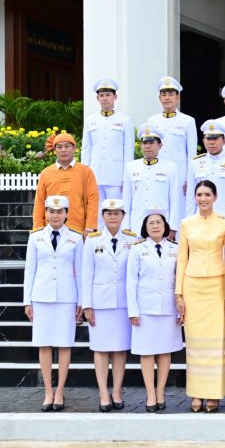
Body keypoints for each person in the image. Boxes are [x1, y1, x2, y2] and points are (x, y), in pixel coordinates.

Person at [175, 180, 225, 413]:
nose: (203, 199)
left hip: (217, 286)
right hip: (192, 285)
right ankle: (197, 393)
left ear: (215, 197)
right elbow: (182, 258)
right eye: (199, 194)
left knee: (216, 341)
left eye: (207, 194)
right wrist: (178, 293)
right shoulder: (187, 223)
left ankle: (214, 393)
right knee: (195, 342)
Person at [24, 195, 83, 412]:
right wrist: (27, 301)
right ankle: (48, 391)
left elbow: (81, 272)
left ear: (67, 213)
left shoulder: (76, 238)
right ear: (45, 212)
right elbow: (30, 270)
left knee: (65, 344)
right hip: (41, 297)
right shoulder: (36, 237)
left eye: (59, 211)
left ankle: (60, 390)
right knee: (45, 344)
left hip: (67, 297)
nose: (55, 215)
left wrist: (82, 302)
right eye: (51, 211)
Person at [81, 198, 136, 412]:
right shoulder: (93, 240)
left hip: (123, 303)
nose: (113, 217)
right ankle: (103, 392)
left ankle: (117, 391)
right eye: (108, 213)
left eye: (117, 213)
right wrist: (87, 305)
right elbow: (87, 274)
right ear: (102, 216)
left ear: (123, 216)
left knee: (120, 350)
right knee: (101, 349)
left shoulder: (132, 240)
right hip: (100, 303)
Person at [126, 210, 183, 412]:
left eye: (159, 222)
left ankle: (160, 392)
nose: (155, 226)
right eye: (151, 223)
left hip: (169, 307)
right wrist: (133, 310)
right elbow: (131, 281)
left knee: (165, 351)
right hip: (145, 309)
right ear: (145, 228)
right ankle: (150, 393)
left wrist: (180, 309)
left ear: (165, 226)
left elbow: (180, 279)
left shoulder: (176, 248)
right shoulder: (137, 249)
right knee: (147, 352)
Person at [33, 132, 99, 234]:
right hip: (50, 229)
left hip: (78, 229)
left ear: (74, 148)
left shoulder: (86, 172)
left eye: (67, 146)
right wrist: (38, 228)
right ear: (55, 150)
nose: (63, 150)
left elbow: (93, 200)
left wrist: (90, 227)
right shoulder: (46, 173)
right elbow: (40, 201)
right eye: (59, 147)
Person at [123, 124, 182, 236]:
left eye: (151, 143)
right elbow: (126, 199)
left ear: (160, 145)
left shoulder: (170, 167)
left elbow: (175, 199)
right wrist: (126, 226)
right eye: (144, 143)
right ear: (140, 145)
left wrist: (173, 227)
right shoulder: (130, 167)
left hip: (161, 225)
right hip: (137, 224)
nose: (147, 146)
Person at [82, 78, 134, 201]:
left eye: (108, 95)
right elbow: (86, 150)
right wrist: (84, 175)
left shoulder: (125, 120)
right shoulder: (90, 120)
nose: (105, 98)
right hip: (95, 174)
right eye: (102, 95)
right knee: (97, 213)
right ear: (97, 98)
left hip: (116, 176)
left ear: (115, 97)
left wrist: (125, 178)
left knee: (116, 211)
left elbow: (128, 151)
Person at [148, 76, 197, 204]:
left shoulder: (188, 121)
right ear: (160, 98)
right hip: (157, 172)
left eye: (171, 94)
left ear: (178, 97)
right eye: (164, 94)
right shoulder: (152, 121)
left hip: (180, 175)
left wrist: (189, 179)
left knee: (179, 209)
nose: (167, 97)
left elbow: (192, 154)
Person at [185, 120, 225, 222]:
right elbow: (190, 198)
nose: (212, 142)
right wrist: (188, 222)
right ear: (204, 140)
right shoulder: (195, 163)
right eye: (208, 138)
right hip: (201, 219)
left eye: (215, 138)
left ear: (224, 141)